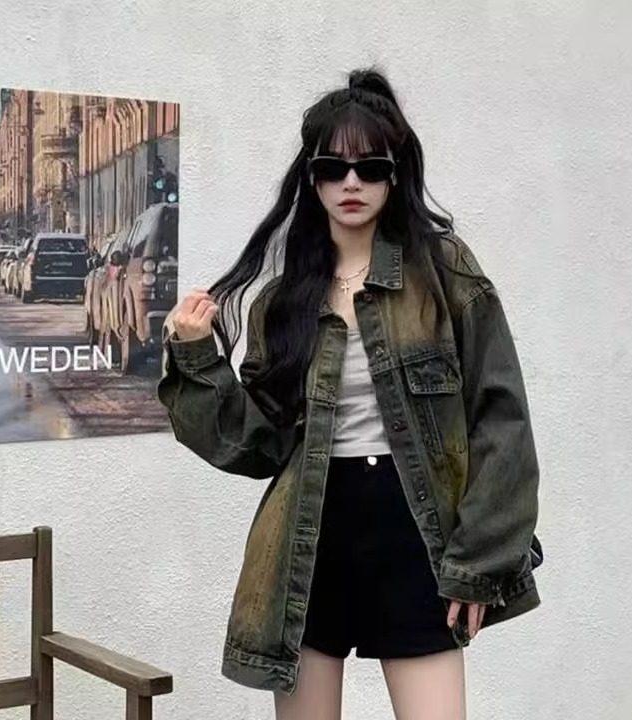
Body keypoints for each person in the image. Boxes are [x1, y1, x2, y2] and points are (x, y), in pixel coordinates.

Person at [157, 68, 542, 720]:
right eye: (333, 168)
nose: (352, 183)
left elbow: (501, 419)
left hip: (415, 537)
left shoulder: (444, 272)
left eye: (371, 167)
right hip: (310, 541)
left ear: (396, 174)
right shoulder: (285, 301)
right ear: (313, 179)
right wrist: (197, 356)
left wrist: (479, 562)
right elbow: (258, 446)